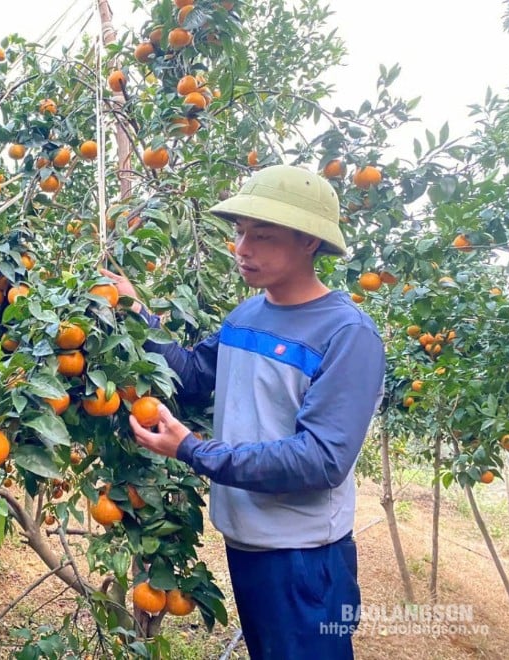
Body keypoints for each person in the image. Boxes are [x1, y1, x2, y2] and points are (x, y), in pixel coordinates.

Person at [101, 164, 385, 659]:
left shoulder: (347, 335)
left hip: (302, 554)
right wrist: (137, 314)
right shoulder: (246, 316)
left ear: (309, 243)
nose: (243, 248)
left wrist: (192, 449)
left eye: (263, 236)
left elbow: (320, 461)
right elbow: (191, 377)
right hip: (246, 541)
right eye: (240, 233)